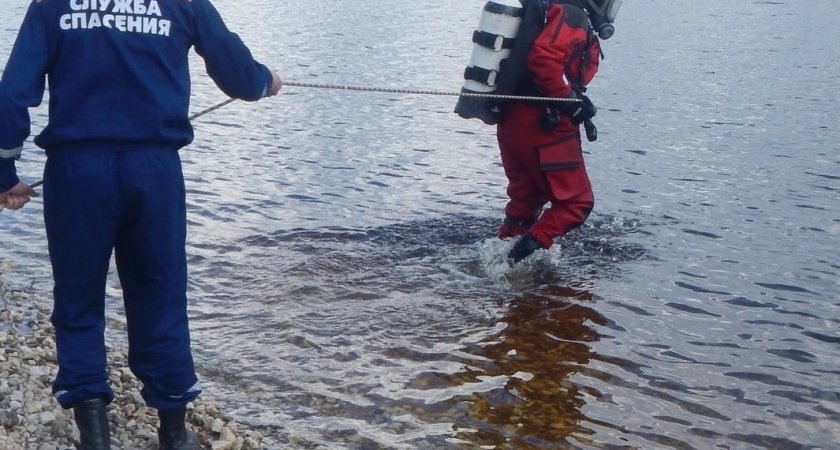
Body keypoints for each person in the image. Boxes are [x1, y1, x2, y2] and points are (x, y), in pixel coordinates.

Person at [0, 0, 282, 448]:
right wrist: (265, 81)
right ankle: (173, 430)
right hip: (153, 172)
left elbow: (13, 91)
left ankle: (94, 432)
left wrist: (5, 172)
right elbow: (238, 74)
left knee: (78, 298)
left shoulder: (52, 4)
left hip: (77, 173)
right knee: (159, 292)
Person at [495, 0, 620, 264]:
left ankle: (496, 261)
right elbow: (545, 57)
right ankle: (510, 265)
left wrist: (572, 98)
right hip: (544, 124)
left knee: (524, 204)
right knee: (576, 204)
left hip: (512, 120)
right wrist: (569, 101)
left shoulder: (546, 10)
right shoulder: (572, 15)